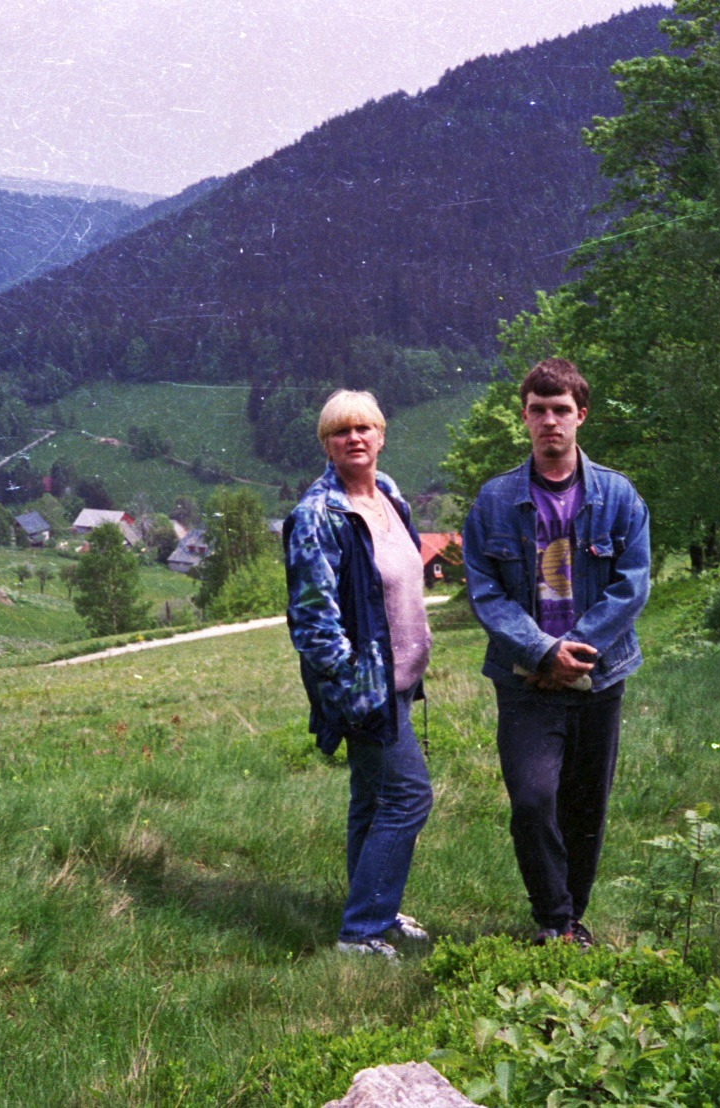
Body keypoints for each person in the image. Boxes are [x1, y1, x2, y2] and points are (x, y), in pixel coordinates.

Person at [461, 358, 649, 947]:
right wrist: (542, 653)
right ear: (524, 417)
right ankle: (552, 916)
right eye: (538, 410)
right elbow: (484, 590)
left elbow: (632, 584)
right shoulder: (493, 502)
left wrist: (574, 653)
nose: (550, 421)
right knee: (533, 798)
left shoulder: (618, 497)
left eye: (561, 410)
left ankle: (569, 924)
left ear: (581, 416)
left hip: (599, 679)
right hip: (526, 683)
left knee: (585, 807)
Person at [283, 389, 434, 959]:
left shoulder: (390, 496)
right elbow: (313, 621)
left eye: (365, 428)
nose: (355, 438)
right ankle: (362, 930)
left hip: (398, 680)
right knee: (408, 797)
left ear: (381, 435)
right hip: (366, 689)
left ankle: (375, 910)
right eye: (341, 431)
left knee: (372, 800)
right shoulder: (318, 516)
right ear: (326, 443)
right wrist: (351, 691)